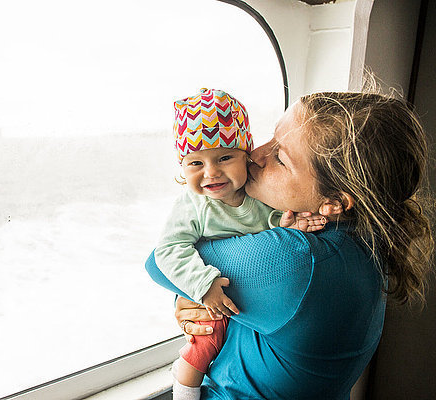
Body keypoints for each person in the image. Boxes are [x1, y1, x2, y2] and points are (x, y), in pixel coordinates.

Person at [146, 91, 433, 399]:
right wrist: (190, 298)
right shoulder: (362, 239)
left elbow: (157, 263)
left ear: (334, 202)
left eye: (281, 158)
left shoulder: (297, 260)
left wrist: (188, 291)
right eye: (272, 137)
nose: (255, 154)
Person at [155, 88, 324, 400]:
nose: (211, 172)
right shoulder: (193, 205)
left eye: (225, 157)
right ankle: (183, 391)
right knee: (202, 348)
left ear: (246, 155)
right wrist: (200, 285)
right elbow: (167, 250)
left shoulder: (259, 193)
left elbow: (270, 226)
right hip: (213, 294)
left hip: (245, 298)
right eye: (195, 163)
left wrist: (289, 224)